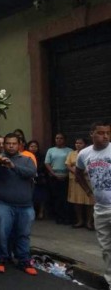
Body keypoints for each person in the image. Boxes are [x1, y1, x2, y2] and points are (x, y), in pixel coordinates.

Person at [0, 133, 38, 276]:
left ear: (19, 145)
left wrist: (13, 166)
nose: (11, 146)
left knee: (23, 234)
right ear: (3, 145)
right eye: (8, 143)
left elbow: (31, 173)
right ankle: (0, 259)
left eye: (14, 143)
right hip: (2, 203)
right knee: (1, 233)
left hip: (25, 205)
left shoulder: (27, 159)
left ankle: (24, 260)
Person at [75, 121, 111, 289]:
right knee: (106, 247)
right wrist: (89, 193)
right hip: (100, 208)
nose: (105, 136)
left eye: (108, 133)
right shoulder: (84, 153)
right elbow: (78, 174)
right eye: (101, 133)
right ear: (92, 134)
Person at [66, 137, 95, 229]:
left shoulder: (89, 153)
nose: (78, 145)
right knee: (77, 202)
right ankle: (80, 221)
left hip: (87, 180)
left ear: (85, 144)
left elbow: (92, 164)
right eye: (76, 143)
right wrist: (76, 173)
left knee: (89, 202)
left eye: (80, 143)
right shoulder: (71, 153)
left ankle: (89, 222)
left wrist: (81, 173)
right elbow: (68, 164)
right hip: (75, 181)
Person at [45, 133, 73, 224]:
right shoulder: (51, 150)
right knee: (56, 198)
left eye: (61, 138)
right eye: (57, 138)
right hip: (54, 177)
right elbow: (47, 163)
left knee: (65, 198)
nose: (59, 140)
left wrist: (67, 174)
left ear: (64, 139)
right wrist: (54, 174)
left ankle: (67, 217)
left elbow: (72, 164)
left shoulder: (70, 150)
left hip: (66, 177)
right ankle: (58, 217)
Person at [27, 140, 48, 220]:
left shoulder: (41, 156)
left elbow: (43, 166)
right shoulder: (25, 156)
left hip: (39, 178)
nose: (33, 148)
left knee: (41, 196)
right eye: (31, 146)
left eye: (35, 146)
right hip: (29, 178)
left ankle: (41, 212)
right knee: (31, 196)